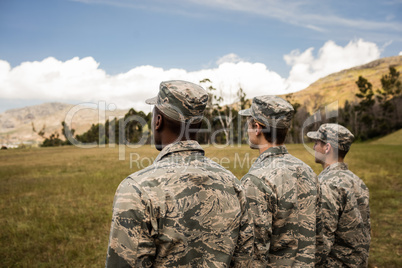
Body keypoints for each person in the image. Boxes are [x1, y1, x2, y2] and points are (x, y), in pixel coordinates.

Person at [106, 80, 253, 267]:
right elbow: (246, 262)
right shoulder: (233, 184)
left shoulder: (136, 189)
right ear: (198, 125)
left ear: (158, 121)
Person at [239, 95, 322, 267]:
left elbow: (253, 254)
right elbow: (320, 233)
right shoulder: (307, 171)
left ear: (257, 128)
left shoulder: (255, 180)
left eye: (248, 123)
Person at [307, 123, 371, 267]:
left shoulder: (327, 185)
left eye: (317, 143)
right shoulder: (357, 181)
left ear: (327, 148)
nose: (313, 147)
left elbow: (321, 241)